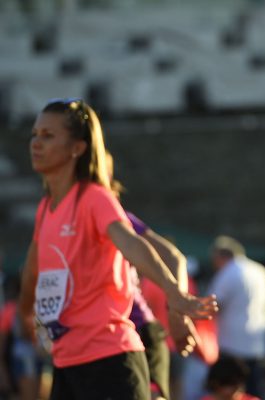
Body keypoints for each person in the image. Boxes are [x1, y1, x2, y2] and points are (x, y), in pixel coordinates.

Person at [18, 98, 218, 400]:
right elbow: (33, 271)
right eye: (35, 134)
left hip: (111, 358)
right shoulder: (45, 209)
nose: (36, 143)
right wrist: (24, 316)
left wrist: (174, 296)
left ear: (77, 147)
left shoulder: (95, 198)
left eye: (48, 136)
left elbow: (132, 244)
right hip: (66, 362)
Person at [105, 150, 201, 400]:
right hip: (91, 342)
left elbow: (174, 257)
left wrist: (177, 311)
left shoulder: (116, 218)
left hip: (137, 333)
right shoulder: (55, 216)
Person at [207, 236, 265, 399]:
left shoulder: (228, 273)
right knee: (256, 390)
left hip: (233, 343)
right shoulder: (259, 270)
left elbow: (213, 306)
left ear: (221, 256)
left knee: (233, 392)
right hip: (258, 342)